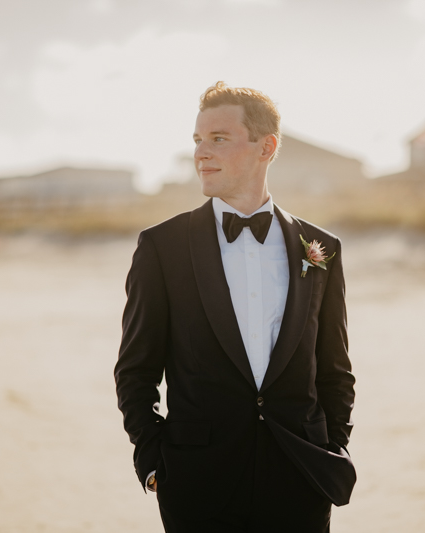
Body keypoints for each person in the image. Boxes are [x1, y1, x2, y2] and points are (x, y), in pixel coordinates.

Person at [114, 81, 356, 533]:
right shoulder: (161, 248)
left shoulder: (320, 249)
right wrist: (153, 463)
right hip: (197, 488)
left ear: (267, 147)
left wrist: (332, 451)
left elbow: (334, 370)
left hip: (300, 484)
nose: (201, 153)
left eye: (219, 139)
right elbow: (135, 371)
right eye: (197, 140)